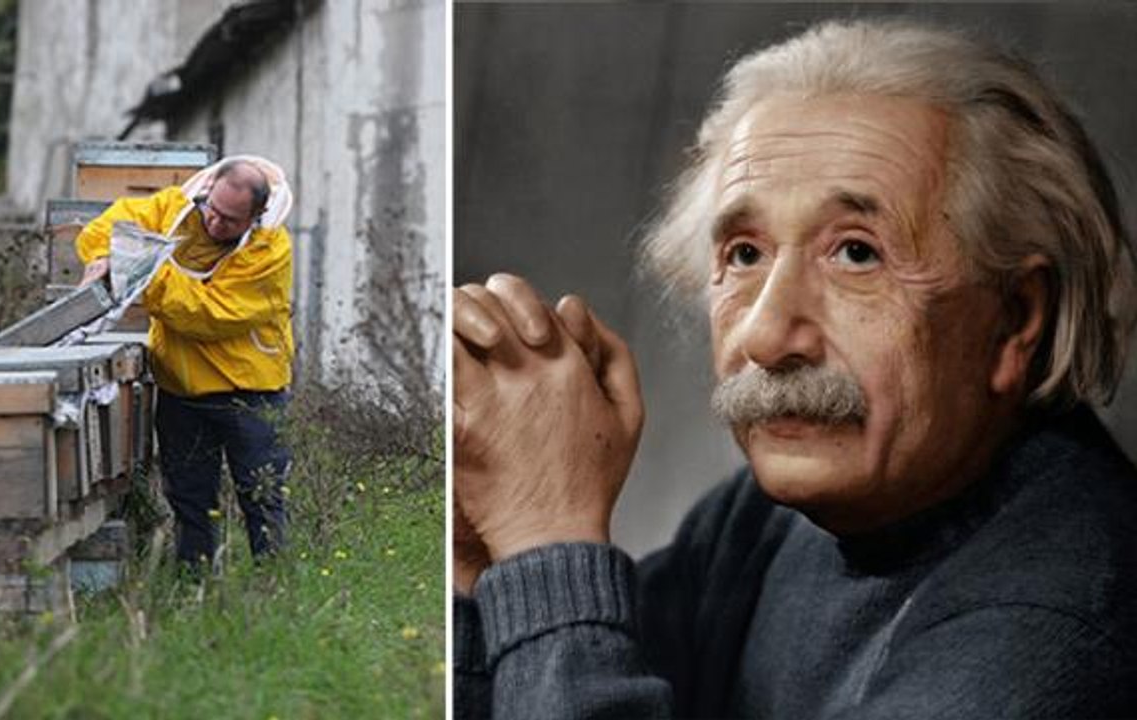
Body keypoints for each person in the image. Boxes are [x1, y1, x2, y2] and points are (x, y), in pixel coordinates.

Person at [453, 20, 1137, 719]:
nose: (766, 334)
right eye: (744, 255)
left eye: (857, 254)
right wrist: (484, 562)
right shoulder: (768, 521)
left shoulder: (1054, 630)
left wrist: (548, 536)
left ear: (1016, 318)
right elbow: (551, 680)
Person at [76, 156, 296, 567]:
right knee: (190, 500)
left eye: (230, 220)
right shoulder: (173, 208)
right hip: (181, 389)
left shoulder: (271, 252)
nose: (214, 223)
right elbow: (108, 226)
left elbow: (208, 315)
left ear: (256, 217)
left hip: (251, 394)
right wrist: (108, 255)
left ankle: (275, 587)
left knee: (263, 499)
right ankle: (195, 587)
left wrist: (141, 266)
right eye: (211, 209)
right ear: (207, 191)